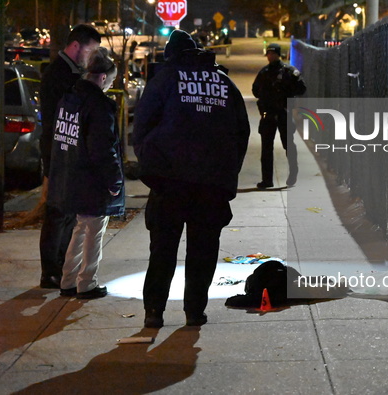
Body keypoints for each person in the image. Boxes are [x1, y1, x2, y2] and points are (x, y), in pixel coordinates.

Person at [133, 30, 250, 328]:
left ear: (172, 55)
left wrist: (153, 168)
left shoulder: (165, 79)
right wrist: (227, 172)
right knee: (203, 251)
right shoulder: (224, 83)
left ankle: (154, 312)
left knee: (162, 250)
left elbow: (142, 127)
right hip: (211, 185)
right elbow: (241, 133)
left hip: (169, 182)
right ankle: (195, 311)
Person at [47, 47, 124, 299]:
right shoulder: (99, 106)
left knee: (80, 228)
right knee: (94, 229)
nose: (110, 85)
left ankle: (68, 279)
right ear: (102, 77)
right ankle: (87, 283)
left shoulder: (69, 99)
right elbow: (102, 149)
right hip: (91, 179)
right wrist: (114, 181)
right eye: (111, 81)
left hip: (71, 174)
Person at [39, 24, 102, 289]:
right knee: (57, 211)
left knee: (67, 213)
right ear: (76, 45)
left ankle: (61, 268)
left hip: (65, 150)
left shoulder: (70, 72)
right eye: (90, 49)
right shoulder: (59, 74)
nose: (91, 56)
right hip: (58, 151)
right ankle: (50, 271)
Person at [252, 43, 306, 189]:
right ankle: (267, 179)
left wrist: (287, 95)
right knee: (266, 148)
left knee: (288, 145)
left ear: (278, 54)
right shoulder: (264, 72)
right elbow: (255, 90)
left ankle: (293, 173)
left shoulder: (289, 71)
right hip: (268, 114)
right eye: (268, 54)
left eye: (272, 54)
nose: (270, 56)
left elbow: (301, 88)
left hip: (283, 112)